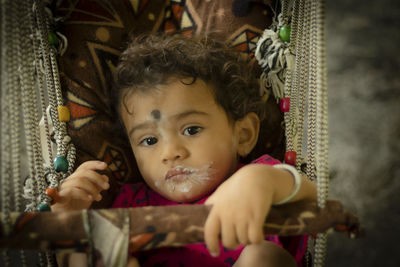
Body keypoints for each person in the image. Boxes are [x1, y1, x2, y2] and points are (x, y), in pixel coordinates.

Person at [52, 34, 317, 267]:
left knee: (264, 256)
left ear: (243, 134)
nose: (170, 152)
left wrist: (260, 181)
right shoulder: (131, 205)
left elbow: (314, 199)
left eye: (191, 130)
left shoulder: (257, 178)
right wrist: (68, 218)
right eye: (149, 141)